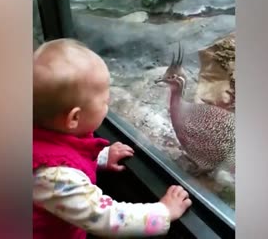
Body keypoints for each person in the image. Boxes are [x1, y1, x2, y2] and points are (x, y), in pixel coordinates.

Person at [33, 38, 192, 239]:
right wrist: (163, 211)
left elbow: (66, 151)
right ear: (74, 118)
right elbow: (109, 219)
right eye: (104, 101)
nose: (109, 103)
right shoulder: (54, 178)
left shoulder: (40, 131)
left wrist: (100, 157)